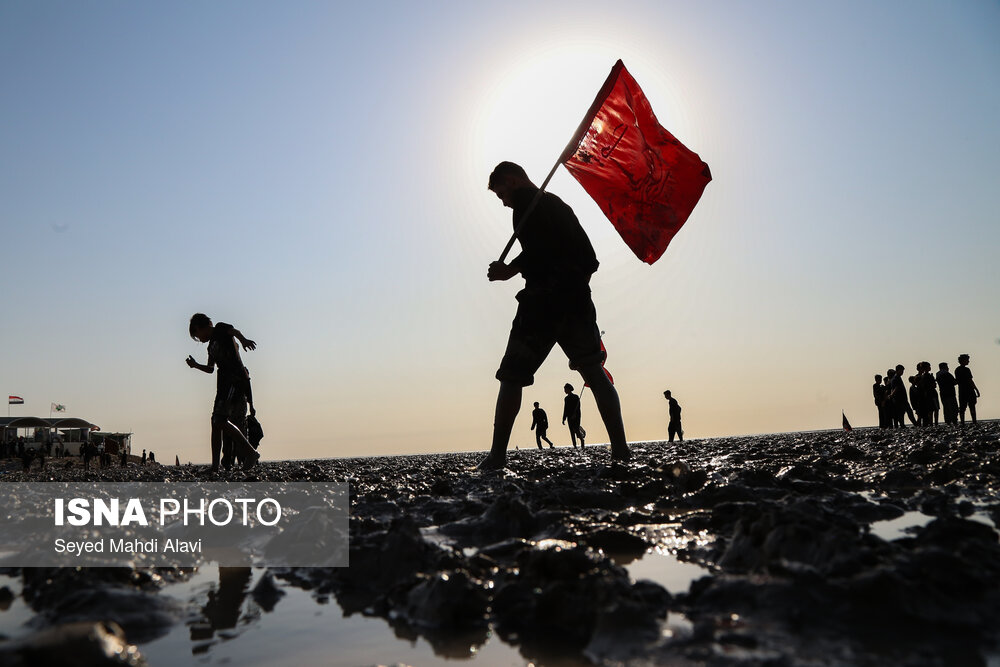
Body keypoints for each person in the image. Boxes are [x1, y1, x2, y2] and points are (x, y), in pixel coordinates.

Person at [478, 162, 630, 469]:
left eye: (501, 194)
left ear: (512, 180)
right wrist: (575, 287)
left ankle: (496, 457)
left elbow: (540, 249)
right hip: (577, 302)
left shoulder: (525, 205)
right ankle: (621, 450)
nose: (504, 202)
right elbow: (590, 259)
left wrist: (510, 270)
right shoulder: (558, 205)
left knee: (511, 375)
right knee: (594, 372)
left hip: (541, 304)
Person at [187, 313, 261, 471]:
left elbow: (234, 331)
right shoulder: (210, 347)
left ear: (200, 327)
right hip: (222, 384)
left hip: (234, 379)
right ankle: (215, 466)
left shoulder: (220, 329)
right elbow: (210, 369)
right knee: (215, 421)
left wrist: (244, 340)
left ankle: (251, 453)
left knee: (220, 420)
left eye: (197, 336)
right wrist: (195, 365)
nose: (199, 340)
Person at [956, 354, 980, 425]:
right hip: (969, 390)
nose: (968, 361)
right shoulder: (966, 370)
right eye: (967, 360)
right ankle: (974, 421)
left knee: (962, 407)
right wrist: (976, 389)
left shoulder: (957, 370)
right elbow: (970, 380)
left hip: (961, 390)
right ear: (963, 360)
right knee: (972, 406)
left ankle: (962, 422)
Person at [562, 384, 585, 448]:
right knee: (571, 431)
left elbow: (578, 406)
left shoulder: (576, 397)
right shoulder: (566, 398)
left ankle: (582, 440)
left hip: (576, 416)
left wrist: (575, 414)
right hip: (569, 416)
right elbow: (565, 408)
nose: (565, 390)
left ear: (569, 389)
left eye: (565, 389)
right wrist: (564, 418)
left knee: (576, 430)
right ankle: (574, 445)